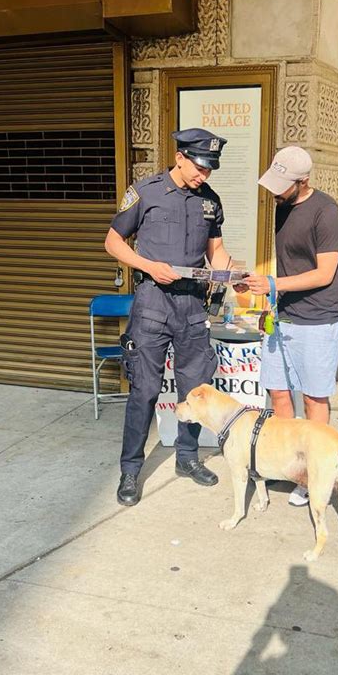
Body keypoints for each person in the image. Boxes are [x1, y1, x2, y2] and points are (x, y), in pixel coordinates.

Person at [105, 128, 238, 507]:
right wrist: (148, 265)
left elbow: (217, 253)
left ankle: (187, 458)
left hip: (193, 307)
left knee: (194, 391)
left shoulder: (210, 201)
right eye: (200, 166)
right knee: (144, 391)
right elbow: (113, 241)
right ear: (180, 156)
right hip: (153, 303)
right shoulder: (146, 192)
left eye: (210, 169)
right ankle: (130, 469)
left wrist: (233, 276)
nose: (204, 175)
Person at [245, 146, 338, 507]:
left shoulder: (326, 212)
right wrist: (270, 303)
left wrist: (273, 285)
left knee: (314, 398)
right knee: (278, 393)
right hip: (282, 317)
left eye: (281, 185)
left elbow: (324, 273)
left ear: (303, 181)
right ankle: (290, 466)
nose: (274, 192)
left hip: (318, 320)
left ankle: (315, 472)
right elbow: (286, 268)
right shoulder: (282, 208)